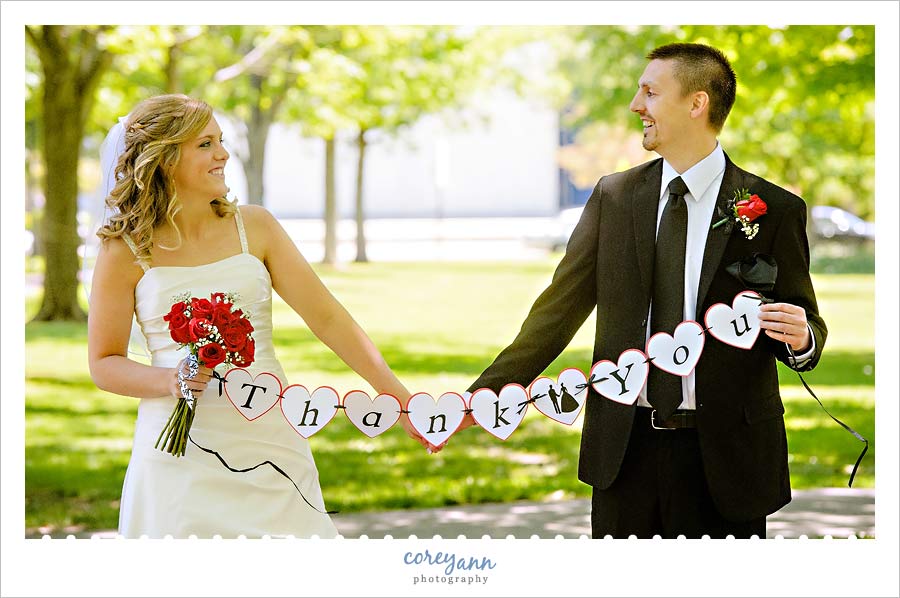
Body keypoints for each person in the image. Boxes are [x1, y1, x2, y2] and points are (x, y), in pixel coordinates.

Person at [462, 43, 826, 538]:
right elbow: (556, 313)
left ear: (696, 103)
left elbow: (804, 319)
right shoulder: (612, 197)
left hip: (728, 461)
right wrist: (482, 397)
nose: (636, 105)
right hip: (624, 452)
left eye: (650, 92)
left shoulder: (772, 209)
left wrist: (803, 339)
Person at [87, 94, 430, 539]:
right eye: (205, 144)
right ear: (166, 159)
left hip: (271, 437)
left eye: (221, 141)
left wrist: (399, 400)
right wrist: (170, 380)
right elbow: (104, 363)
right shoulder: (124, 249)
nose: (223, 155)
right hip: (176, 456)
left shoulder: (257, 227)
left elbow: (329, 319)